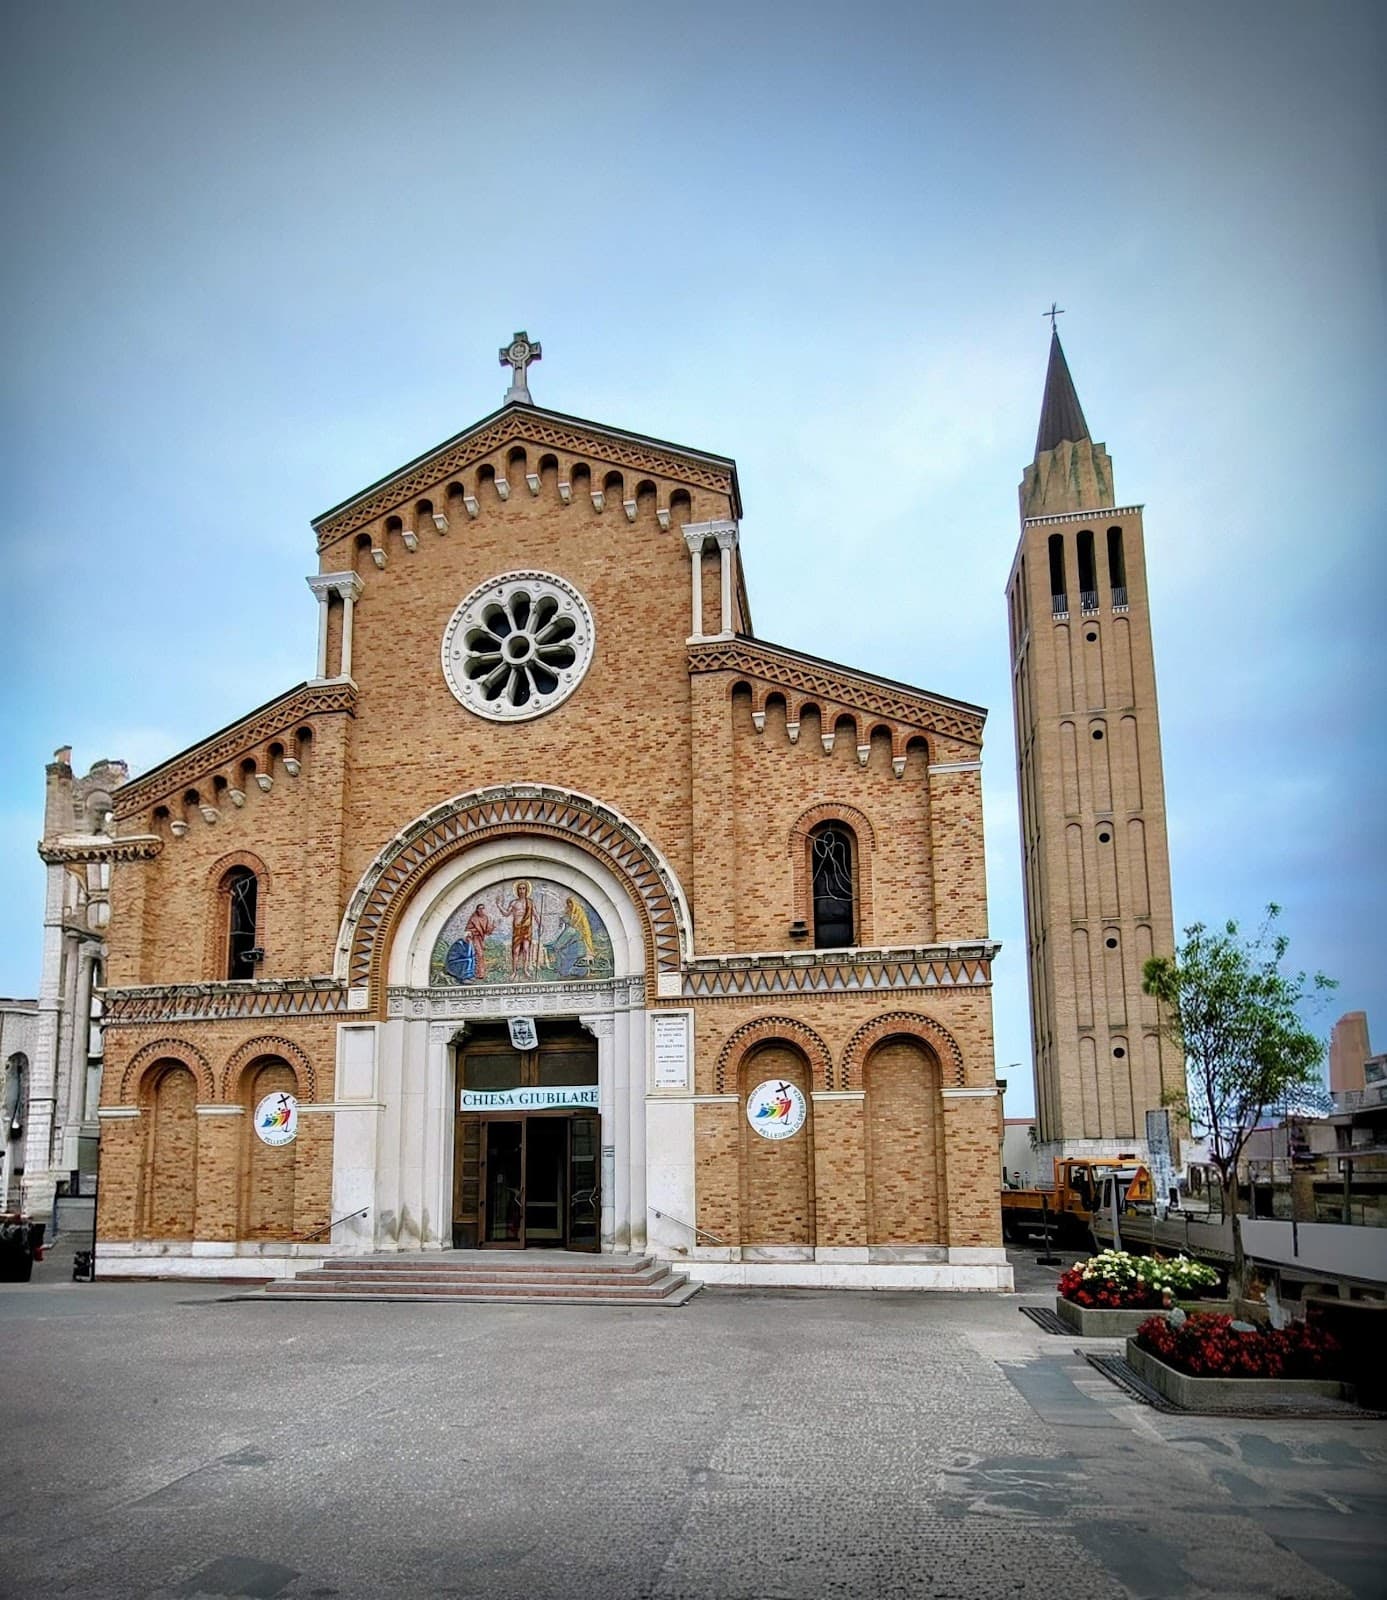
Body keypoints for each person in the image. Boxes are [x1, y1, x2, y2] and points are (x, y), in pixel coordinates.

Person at [495, 881, 536, 978]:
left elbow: (535, 914)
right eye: (520, 889)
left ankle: (525, 970)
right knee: (516, 951)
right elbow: (506, 914)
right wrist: (499, 905)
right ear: (517, 890)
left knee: (526, 950)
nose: (521, 891)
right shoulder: (514, 903)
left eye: (523, 888)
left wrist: (540, 924)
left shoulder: (530, 902)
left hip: (527, 929)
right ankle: (514, 971)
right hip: (517, 930)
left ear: (526, 890)